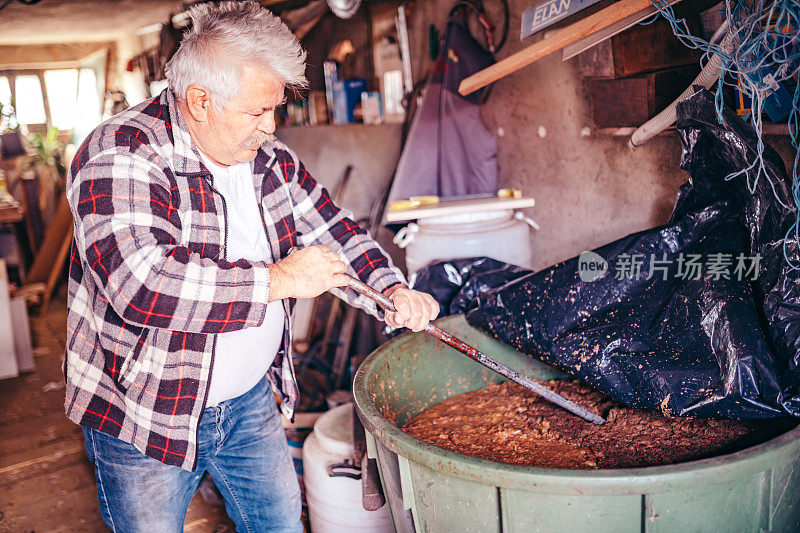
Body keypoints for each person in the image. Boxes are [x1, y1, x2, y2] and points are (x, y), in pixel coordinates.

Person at [64, 2, 438, 531]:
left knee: (280, 524)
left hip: (248, 402)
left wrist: (389, 290)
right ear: (200, 101)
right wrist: (279, 279)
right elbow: (142, 283)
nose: (271, 126)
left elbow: (333, 229)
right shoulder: (122, 153)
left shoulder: (268, 158)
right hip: (144, 412)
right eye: (257, 111)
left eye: (275, 109)